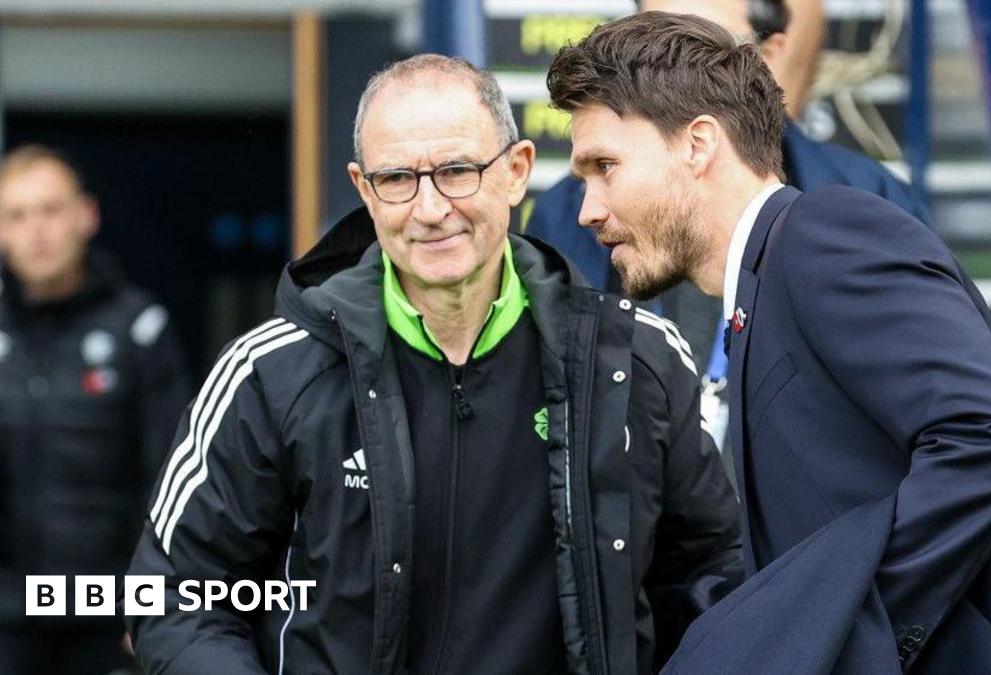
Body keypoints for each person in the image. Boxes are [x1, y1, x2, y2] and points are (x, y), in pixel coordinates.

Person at [548, 12, 991, 674]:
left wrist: (839, 632)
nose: (587, 209)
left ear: (698, 144)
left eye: (605, 167)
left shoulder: (823, 233)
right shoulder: (764, 286)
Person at [126, 54, 740, 674]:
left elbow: (718, 579)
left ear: (517, 171)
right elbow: (172, 596)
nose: (429, 208)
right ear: (364, 190)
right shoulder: (270, 374)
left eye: (456, 171)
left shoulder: (637, 360)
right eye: (396, 179)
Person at [525, 0, 931, 460]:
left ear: (768, 58)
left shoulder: (872, 204)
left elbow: (958, 433)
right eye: (651, 42)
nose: (666, 67)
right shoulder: (564, 213)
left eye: (700, 48)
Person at [0, 145, 191, 674]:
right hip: (7, 616)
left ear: (86, 215)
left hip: (106, 615)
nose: (36, 230)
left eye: (49, 210)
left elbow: (172, 478)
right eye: (17, 215)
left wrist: (153, 600)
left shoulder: (140, 329)